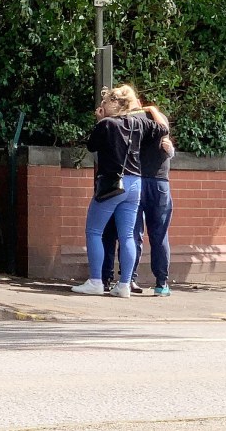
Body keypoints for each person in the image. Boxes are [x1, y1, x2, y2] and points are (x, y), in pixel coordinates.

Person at [72, 85, 167, 297]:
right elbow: (163, 129)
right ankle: (124, 285)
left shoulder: (106, 124)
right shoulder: (140, 123)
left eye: (104, 102)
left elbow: (91, 146)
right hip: (135, 184)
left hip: (113, 183)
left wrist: (99, 120)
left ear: (114, 103)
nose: (101, 106)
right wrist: (152, 111)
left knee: (94, 231)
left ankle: (96, 281)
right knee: (127, 236)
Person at [101, 98, 175, 297]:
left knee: (132, 234)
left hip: (136, 181)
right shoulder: (158, 120)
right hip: (159, 181)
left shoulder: (130, 122)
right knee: (159, 235)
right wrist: (154, 109)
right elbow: (167, 143)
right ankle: (161, 283)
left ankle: (129, 278)